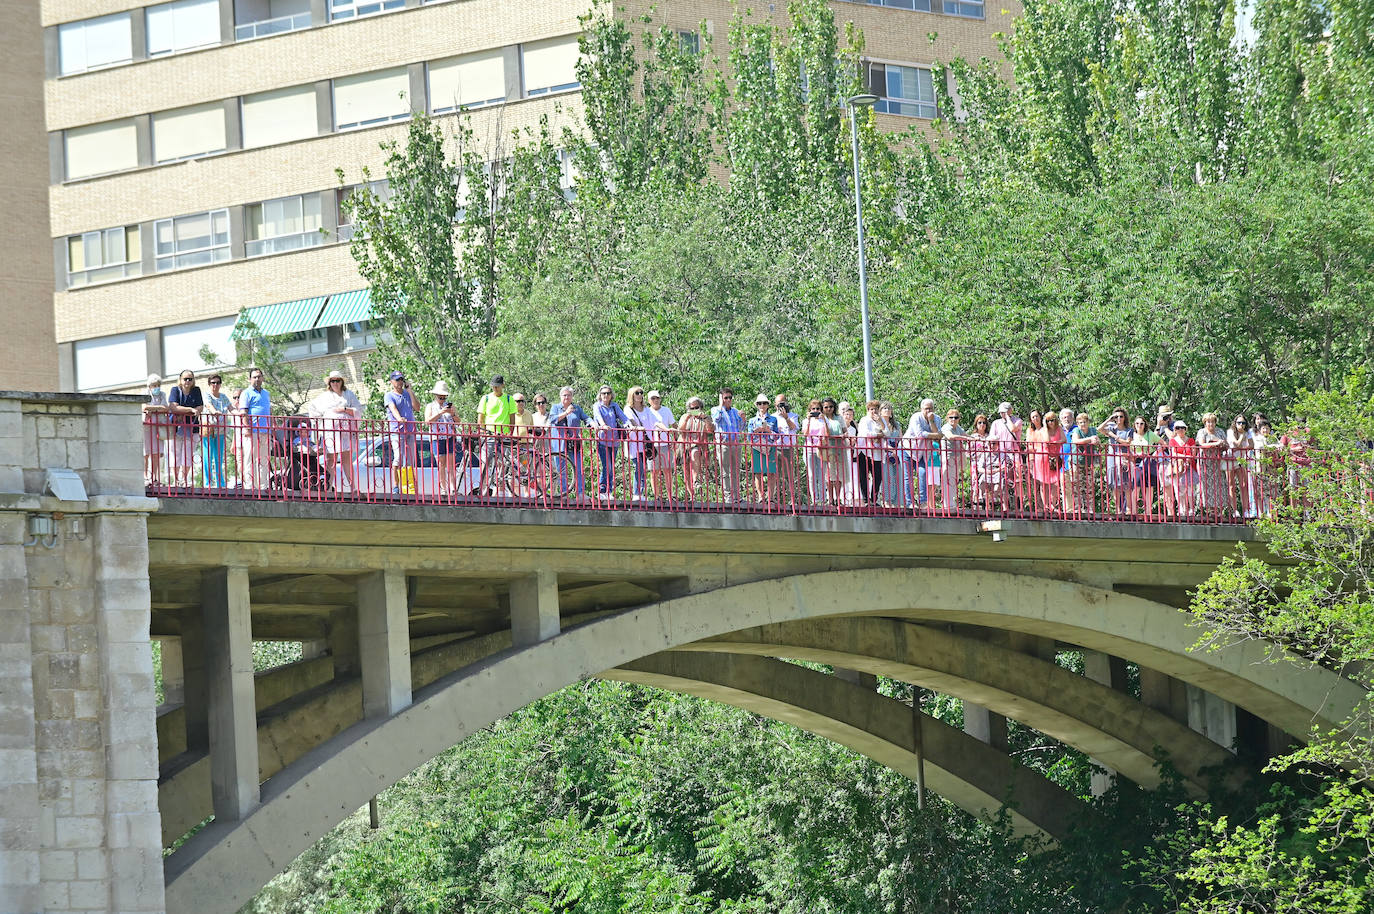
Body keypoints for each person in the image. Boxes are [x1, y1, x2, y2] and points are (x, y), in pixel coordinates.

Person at [307, 370, 362, 494]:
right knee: (330, 460)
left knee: (346, 459)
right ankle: (328, 487)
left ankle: (353, 488)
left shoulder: (348, 394)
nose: (335, 383)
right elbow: (313, 408)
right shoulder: (324, 396)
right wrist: (319, 423)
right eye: (333, 381)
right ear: (329, 383)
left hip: (345, 432)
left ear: (341, 381)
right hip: (330, 432)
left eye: (337, 380)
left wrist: (344, 409)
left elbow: (358, 410)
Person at [476, 375, 516, 496]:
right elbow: (480, 417)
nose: (495, 388)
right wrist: (483, 432)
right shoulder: (486, 398)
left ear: (502, 385)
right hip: (489, 435)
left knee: (503, 463)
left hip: (503, 435)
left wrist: (510, 432)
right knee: (485, 462)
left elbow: (512, 418)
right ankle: (483, 489)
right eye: (493, 386)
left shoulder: (509, 399)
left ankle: (500, 491)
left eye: (497, 386)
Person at [383, 371, 421, 494]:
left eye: (401, 379)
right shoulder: (389, 395)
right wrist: (399, 419)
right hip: (397, 431)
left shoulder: (407, 394)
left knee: (409, 460)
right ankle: (396, 486)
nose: (399, 382)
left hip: (410, 430)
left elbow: (417, 407)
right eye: (397, 380)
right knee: (398, 458)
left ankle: (408, 486)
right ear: (391, 382)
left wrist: (410, 390)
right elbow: (393, 408)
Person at [549, 387, 589, 499]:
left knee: (579, 468)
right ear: (560, 396)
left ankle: (580, 493)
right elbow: (552, 420)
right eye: (564, 395)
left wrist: (593, 424)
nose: (566, 397)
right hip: (559, 443)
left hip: (573, 442)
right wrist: (566, 413)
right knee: (562, 469)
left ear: (572, 397)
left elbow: (586, 418)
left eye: (569, 395)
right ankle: (564, 493)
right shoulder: (555, 407)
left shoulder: (577, 408)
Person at [234, 368, 271, 491]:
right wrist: (247, 428)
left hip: (265, 430)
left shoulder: (266, 393)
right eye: (254, 377)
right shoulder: (246, 393)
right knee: (250, 458)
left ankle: (263, 485)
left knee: (264, 459)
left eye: (259, 376)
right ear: (250, 379)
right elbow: (243, 412)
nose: (257, 379)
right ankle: (250, 486)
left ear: (263, 378)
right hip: (252, 431)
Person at [592, 385, 630, 501]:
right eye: (603, 393)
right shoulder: (597, 405)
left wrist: (629, 425)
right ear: (600, 394)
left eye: (608, 393)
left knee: (611, 467)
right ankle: (602, 490)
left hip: (614, 440)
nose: (606, 395)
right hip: (603, 439)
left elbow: (623, 417)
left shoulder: (614, 406)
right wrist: (603, 425)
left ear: (611, 395)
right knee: (606, 466)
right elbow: (598, 417)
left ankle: (609, 491)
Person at [167, 370, 202, 488]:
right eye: (185, 379)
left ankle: (184, 479)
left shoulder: (196, 391)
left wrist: (186, 410)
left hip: (191, 427)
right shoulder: (175, 390)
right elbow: (173, 407)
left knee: (187, 454)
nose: (187, 381)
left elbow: (200, 407)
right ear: (180, 379)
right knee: (175, 453)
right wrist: (190, 410)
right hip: (176, 427)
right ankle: (175, 479)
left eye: (190, 379)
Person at [905, 399, 943, 507]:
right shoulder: (916, 417)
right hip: (908, 449)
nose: (929, 411)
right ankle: (909, 503)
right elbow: (920, 434)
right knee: (909, 477)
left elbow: (938, 436)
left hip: (923, 451)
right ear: (922, 409)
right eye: (926, 408)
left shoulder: (937, 419)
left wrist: (931, 422)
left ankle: (923, 502)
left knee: (923, 473)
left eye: (931, 408)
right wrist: (935, 435)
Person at [676, 396, 714, 502]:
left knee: (695, 453)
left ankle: (696, 481)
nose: (694, 410)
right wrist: (688, 417)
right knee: (686, 472)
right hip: (684, 446)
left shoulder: (706, 417)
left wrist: (705, 419)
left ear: (700, 407)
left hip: (698, 446)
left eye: (696, 408)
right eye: (691, 408)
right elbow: (680, 429)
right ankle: (691, 494)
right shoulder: (685, 416)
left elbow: (711, 430)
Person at [425, 381, 459, 497]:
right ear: (435, 395)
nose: (442, 398)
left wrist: (453, 414)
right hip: (437, 437)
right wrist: (440, 413)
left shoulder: (450, 406)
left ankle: (453, 488)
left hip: (449, 436)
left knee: (451, 463)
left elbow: (458, 422)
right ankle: (443, 488)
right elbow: (428, 421)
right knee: (441, 463)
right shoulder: (430, 406)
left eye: (444, 396)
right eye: (440, 396)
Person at [1029, 410, 1066, 515]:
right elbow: (1046, 440)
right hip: (1043, 457)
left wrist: (1055, 442)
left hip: (1054, 457)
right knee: (1044, 483)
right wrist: (1045, 427)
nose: (1051, 423)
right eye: (1048, 421)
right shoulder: (1043, 430)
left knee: (1055, 482)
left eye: (1052, 420)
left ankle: (1053, 504)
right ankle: (1046, 506)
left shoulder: (1059, 429)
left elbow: (1064, 440)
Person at [710, 388, 743, 504]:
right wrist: (720, 405)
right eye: (725, 398)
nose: (728, 400)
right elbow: (716, 419)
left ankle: (737, 496)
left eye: (730, 397)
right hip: (723, 444)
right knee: (725, 472)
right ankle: (728, 496)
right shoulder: (715, 410)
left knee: (735, 471)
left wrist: (743, 419)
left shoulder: (735, 411)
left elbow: (741, 428)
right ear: (721, 399)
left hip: (735, 444)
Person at [200, 373, 232, 489]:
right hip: (209, 428)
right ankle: (208, 483)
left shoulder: (223, 396)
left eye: (217, 383)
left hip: (221, 430)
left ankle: (220, 483)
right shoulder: (207, 395)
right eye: (213, 382)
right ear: (209, 384)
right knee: (207, 456)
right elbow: (208, 405)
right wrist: (214, 411)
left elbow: (231, 408)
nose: (215, 385)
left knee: (219, 457)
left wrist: (239, 414)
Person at [1125, 416, 1161, 516]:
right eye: (1137, 423)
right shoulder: (1131, 435)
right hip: (1136, 461)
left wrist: (1155, 454)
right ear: (1134, 425)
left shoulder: (1150, 434)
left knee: (1149, 486)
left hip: (1149, 460)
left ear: (1145, 424)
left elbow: (1163, 443)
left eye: (1141, 423)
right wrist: (1133, 455)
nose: (1139, 426)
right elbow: (1127, 448)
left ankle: (1148, 511)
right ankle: (1133, 511)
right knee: (1136, 485)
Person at [989, 402, 1023, 511]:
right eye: (1001, 412)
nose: (1002, 414)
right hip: (1001, 453)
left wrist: (1008, 418)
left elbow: (1013, 429)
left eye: (1004, 411)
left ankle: (1019, 507)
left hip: (1014, 452)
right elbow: (992, 437)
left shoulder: (1017, 421)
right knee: (1003, 479)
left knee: (1017, 479)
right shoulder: (996, 423)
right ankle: (1005, 506)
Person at [747, 395, 780, 503]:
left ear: (768, 405)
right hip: (757, 447)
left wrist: (769, 431)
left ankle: (770, 497)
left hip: (770, 447)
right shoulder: (752, 420)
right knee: (758, 472)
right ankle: (761, 497)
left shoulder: (773, 419)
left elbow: (777, 436)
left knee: (771, 472)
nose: (762, 405)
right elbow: (748, 437)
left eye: (764, 403)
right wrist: (756, 431)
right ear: (757, 405)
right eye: (760, 403)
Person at [1099, 408, 1132, 513]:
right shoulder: (1111, 427)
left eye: (1121, 416)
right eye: (1116, 416)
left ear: (1124, 418)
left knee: (1125, 482)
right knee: (1114, 483)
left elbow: (1127, 443)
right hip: (1112, 457)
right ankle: (1117, 509)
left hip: (1123, 457)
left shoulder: (1129, 430)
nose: (1118, 418)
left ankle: (1128, 509)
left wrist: (1114, 437)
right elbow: (1099, 429)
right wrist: (1109, 419)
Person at [644, 391, 676, 502]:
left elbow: (673, 424)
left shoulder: (666, 410)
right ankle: (657, 496)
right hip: (652, 445)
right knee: (654, 472)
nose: (655, 400)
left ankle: (670, 495)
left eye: (657, 398)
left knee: (667, 471)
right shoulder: (647, 412)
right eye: (653, 398)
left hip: (665, 444)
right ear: (649, 401)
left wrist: (675, 438)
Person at [1196, 413, 1229, 518]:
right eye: (1208, 422)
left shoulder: (1220, 431)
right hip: (1205, 462)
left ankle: (1218, 510)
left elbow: (1227, 444)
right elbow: (1201, 444)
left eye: (1212, 421)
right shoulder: (1202, 432)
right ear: (1205, 423)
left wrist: (1222, 444)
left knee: (1219, 485)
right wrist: (1215, 443)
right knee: (1206, 485)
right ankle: (1209, 511)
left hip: (1217, 461)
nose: (1210, 424)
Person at [968, 414, 1002, 512]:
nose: (982, 425)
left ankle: (989, 507)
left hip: (989, 462)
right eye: (979, 423)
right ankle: (976, 507)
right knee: (976, 484)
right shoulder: (973, 437)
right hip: (976, 463)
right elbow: (968, 451)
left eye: (984, 423)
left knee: (990, 484)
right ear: (976, 424)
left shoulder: (989, 436)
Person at [621, 387, 650, 500]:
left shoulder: (646, 409)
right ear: (632, 395)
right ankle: (636, 493)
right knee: (638, 467)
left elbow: (653, 421)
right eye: (636, 393)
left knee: (643, 468)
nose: (639, 395)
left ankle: (640, 493)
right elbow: (630, 421)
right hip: (634, 442)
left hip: (644, 442)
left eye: (641, 393)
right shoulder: (628, 409)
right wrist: (638, 428)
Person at [856, 400, 886, 506]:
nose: (874, 411)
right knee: (864, 475)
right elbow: (865, 433)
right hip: (864, 450)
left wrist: (881, 423)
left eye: (876, 409)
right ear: (868, 410)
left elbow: (887, 432)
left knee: (877, 476)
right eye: (871, 409)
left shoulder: (881, 420)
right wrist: (878, 435)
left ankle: (874, 498)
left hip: (877, 452)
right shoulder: (864, 420)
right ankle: (865, 499)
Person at [1167, 419, 1199, 517]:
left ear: (1185, 429)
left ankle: (1191, 509)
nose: (1180, 430)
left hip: (1189, 467)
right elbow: (1172, 453)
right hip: (1177, 467)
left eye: (1182, 428)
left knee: (1190, 489)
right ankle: (1182, 509)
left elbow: (1193, 453)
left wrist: (1182, 456)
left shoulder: (1190, 440)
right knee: (1178, 489)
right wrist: (1185, 456)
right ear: (1175, 430)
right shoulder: (1172, 441)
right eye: (1177, 428)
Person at [1069, 412, 1100, 515]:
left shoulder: (1092, 430)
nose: (1082, 424)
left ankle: (1089, 509)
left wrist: (1096, 441)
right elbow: (1075, 440)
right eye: (1080, 422)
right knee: (1077, 485)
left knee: (1089, 485)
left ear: (1088, 422)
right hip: (1076, 461)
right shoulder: (1076, 430)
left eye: (1084, 422)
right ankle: (1077, 509)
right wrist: (1089, 439)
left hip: (1089, 461)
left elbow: (1097, 440)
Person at [772, 394, 799, 504]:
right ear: (775, 405)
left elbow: (794, 427)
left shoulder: (793, 416)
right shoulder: (772, 417)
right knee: (773, 474)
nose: (781, 405)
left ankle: (792, 500)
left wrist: (786, 417)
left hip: (788, 448)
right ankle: (773, 498)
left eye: (783, 403)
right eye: (779, 404)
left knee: (789, 474)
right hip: (775, 447)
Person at [940, 407, 969, 510]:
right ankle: (947, 504)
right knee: (947, 479)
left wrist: (972, 438)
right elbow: (950, 437)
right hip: (948, 456)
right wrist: (966, 439)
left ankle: (951, 502)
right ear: (947, 418)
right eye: (951, 417)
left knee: (953, 479)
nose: (953, 419)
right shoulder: (946, 427)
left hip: (956, 456)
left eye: (955, 417)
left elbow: (965, 434)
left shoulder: (958, 427)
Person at [1226, 414, 1255, 517]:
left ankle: (1246, 510)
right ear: (1235, 423)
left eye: (1243, 423)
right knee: (1231, 485)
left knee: (1243, 485)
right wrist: (1242, 437)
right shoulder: (1230, 432)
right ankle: (1234, 511)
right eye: (1239, 423)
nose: (1241, 425)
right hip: (1230, 459)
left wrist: (1243, 449)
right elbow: (1237, 444)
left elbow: (1252, 445)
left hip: (1241, 460)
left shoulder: (1248, 432)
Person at [142, 374, 168, 486]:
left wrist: (152, 408)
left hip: (158, 425)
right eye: (154, 385)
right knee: (146, 452)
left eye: (158, 385)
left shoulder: (162, 394)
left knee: (157, 452)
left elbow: (166, 408)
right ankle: (145, 477)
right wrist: (159, 408)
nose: (156, 387)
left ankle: (155, 477)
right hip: (147, 425)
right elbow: (144, 407)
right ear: (149, 386)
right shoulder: (145, 393)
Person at [879, 402, 904, 507]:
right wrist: (890, 449)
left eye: (889, 408)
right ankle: (886, 500)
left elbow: (901, 438)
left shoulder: (896, 424)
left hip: (896, 451)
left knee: (896, 476)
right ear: (880, 411)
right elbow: (880, 439)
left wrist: (897, 450)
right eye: (884, 408)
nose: (887, 410)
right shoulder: (879, 423)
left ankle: (896, 501)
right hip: (885, 451)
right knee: (886, 476)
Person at [839, 401, 860, 505]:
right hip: (841, 451)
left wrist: (853, 442)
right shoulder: (839, 425)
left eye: (850, 414)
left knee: (852, 475)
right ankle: (842, 498)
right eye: (846, 413)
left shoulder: (854, 426)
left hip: (851, 452)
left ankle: (852, 497)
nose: (848, 416)